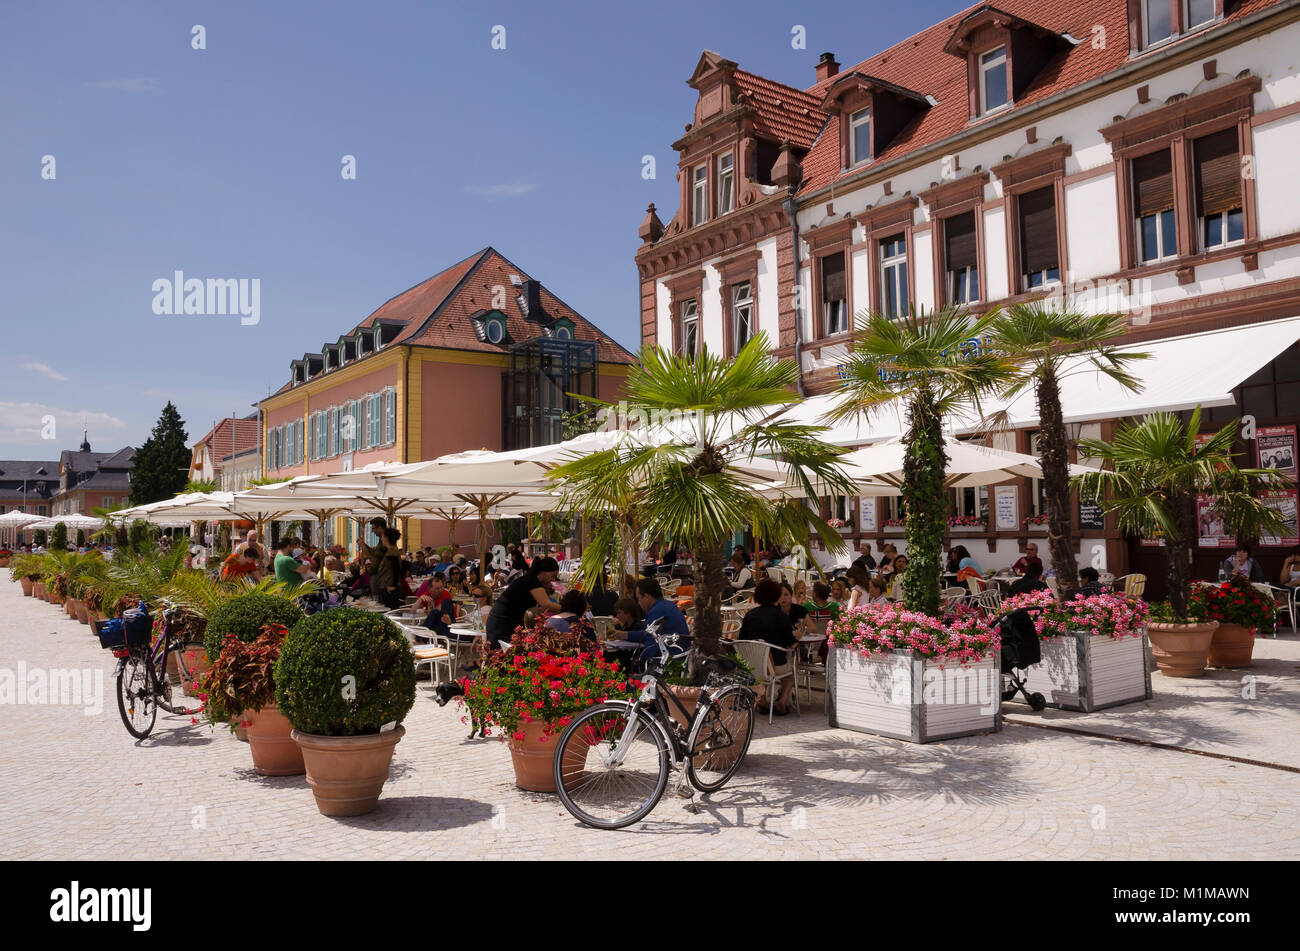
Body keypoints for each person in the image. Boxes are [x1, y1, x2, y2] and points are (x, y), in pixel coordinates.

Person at [737, 579, 797, 715]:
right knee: (791, 671)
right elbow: (791, 644)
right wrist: (797, 637)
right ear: (776, 595)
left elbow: (741, 640)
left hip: (752, 665)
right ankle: (782, 701)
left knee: (761, 671)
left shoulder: (750, 615)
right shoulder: (781, 616)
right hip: (776, 666)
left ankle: (762, 700)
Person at [486, 555, 562, 644]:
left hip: (501, 622)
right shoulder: (532, 582)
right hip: (502, 624)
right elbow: (547, 604)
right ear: (544, 572)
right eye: (552, 575)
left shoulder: (530, 579)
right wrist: (567, 608)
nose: (553, 579)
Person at [626, 577, 691, 664]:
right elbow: (648, 633)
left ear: (646, 597)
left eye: (639, 599)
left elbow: (651, 645)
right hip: (680, 657)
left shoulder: (657, 611)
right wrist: (624, 635)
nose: (638, 603)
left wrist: (639, 661)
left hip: (670, 662)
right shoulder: (667, 605)